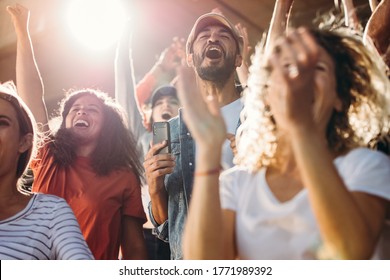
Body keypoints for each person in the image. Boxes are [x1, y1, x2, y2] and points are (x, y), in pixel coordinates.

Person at [180, 20, 390, 259]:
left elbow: (349, 253)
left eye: (317, 69)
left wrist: (302, 128)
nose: (299, 79)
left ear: (340, 98)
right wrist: (208, 152)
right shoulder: (236, 184)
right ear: (269, 96)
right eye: (288, 68)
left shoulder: (365, 166)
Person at [7, 3, 148, 260]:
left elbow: (134, 250)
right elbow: (31, 97)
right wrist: (22, 31)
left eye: (92, 110)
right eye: (75, 109)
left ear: (108, 127)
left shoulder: (124, 178)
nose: (81, 112)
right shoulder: (47, 156)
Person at [143, 12, 245, 260]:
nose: (213, 40)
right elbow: (164, 228)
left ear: (239, 57)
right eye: (203, 36)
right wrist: (155, 189)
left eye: (223, 35)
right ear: (189, 58)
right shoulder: (171, 130)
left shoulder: (261, 116)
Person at [0, 82, 93, 260]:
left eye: (2, 123)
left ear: (24, 142)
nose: (82, 112)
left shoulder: (52, 212)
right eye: (76, 108)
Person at [115, 25, 182, 259]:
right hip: (143, 238)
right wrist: (123, 40)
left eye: (172, 102)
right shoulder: (138, 138)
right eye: (159, 102)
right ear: (149, 114)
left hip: (182, 235)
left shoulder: (194, 143)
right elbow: (124, 87)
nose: (165, 105)